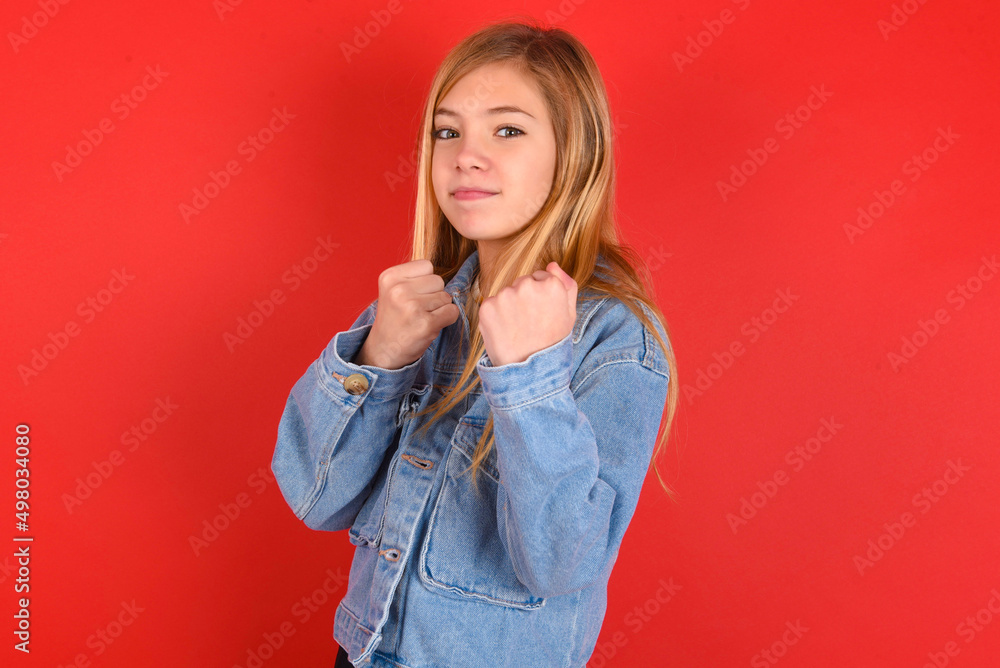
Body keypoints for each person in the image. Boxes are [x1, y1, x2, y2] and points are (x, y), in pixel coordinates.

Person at [272, 17, 680, 668]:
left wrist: (529, 379)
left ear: (574, 154)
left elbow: (561, 564)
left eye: (507, 130)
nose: (466, 154)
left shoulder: (614, 338)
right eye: (448, 131)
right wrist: (380, 357)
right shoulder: (423, 310)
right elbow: (315, 498)